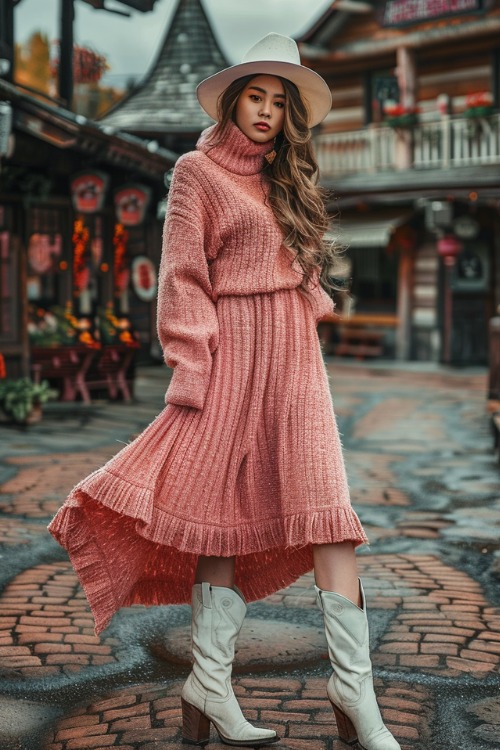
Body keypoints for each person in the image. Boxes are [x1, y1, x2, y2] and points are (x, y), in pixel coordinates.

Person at [49, 33, 400, 750]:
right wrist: (193, 370)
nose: (267, 112)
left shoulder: (285, 178)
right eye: (257, 96)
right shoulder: (195, 171)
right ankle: (210, 680)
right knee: (219, 519)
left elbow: (300, 272)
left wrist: (306, 303)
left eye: (280, 102)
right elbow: (182, 277)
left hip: (295, 361)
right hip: (231, 358)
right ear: (234, 99)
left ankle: (355, 692)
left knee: (330, 515)